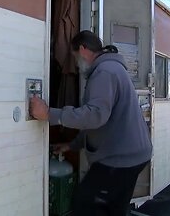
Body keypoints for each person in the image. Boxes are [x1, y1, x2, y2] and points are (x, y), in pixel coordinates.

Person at [30, 30, 152, 216]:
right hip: (134, 155)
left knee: (84, 204)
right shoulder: (113, 68)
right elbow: (102, 122)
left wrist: (49, 114)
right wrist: (72, 145)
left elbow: (95, 116)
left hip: (120, 159)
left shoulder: (104, 72)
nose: (77, 64)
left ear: (83, 49)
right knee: (114, 209)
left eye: (75, 57)